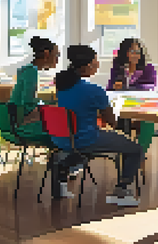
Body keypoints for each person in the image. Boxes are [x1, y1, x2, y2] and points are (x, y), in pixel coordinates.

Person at [52, 45, 142, 206]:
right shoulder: (94, 90)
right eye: (95, 62)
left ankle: (63, 169)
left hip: (62, 139)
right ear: (86, 66)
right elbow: (112, 122)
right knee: (135, 149)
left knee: (89, 147)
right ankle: (121, 190)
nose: (97, 65)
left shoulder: (62, 87)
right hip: (87, 139)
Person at [106, 38, 158, 153]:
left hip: (142, 107)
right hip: (122, 107)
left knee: (147, 121)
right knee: (120, 120)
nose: (136, 55)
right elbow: (109, 88)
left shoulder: (148, 68)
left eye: (138, 52)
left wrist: (128, 88)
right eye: (132, 52)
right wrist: (115, 86)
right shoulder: (118, 67)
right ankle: (126, 152)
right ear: (125, 53)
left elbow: (151, 87)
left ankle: (139, 153)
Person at [9, 36, 59, 145]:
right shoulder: (31, 72)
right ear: (46, 54)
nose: (57, 60)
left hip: (16, 121)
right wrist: (45, 105)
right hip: (25, 125)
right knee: (63, 125)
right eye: (56, 55)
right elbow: (27, 102)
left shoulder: (26, 69)